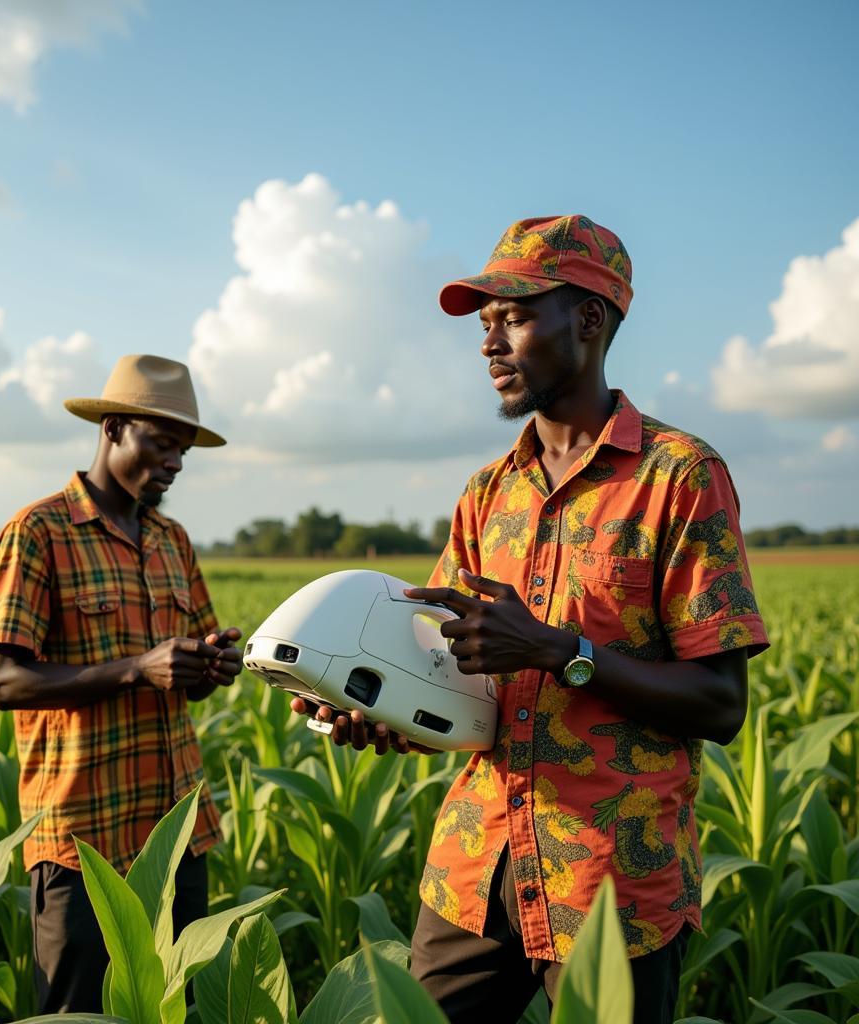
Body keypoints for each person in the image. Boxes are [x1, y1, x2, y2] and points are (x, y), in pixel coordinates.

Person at [291, 215, 768, 1024]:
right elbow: (452, 687)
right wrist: (376, 711)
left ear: (587, 319)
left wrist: (561, 652)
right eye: (484, 325)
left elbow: (721, 705)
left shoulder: (681, 475)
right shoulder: (486, 493)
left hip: (611, 890)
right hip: (474, 869)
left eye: (512, 317)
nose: (489, 343)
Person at [0, 354, 243, 1013]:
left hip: (178, 832)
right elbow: (7, 680)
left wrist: (210, 668)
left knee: (178, 1007)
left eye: (183, 451)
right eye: (161, 444)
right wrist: (136, 668)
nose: (176, 464)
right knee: (80, 1013)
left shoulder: (171, 540)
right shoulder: (38, 532)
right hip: (83, 845)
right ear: (114, 429)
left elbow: (185, 677)